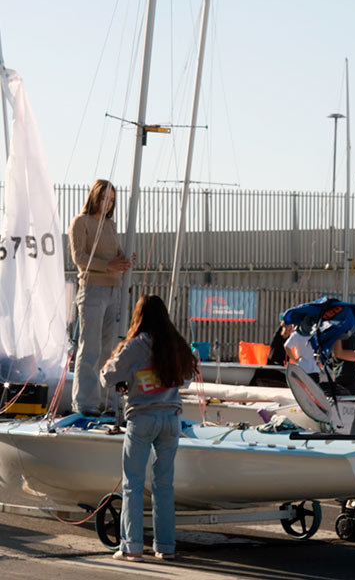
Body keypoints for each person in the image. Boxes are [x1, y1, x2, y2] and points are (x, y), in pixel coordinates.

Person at [100, 294, 197, 563]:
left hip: (142, 419)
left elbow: (108, 376)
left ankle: (131, 547)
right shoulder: (176, 344)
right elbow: (187, 378)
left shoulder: (134, 346)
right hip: (171, 420)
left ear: (138, 317)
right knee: (164, 485)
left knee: (132, 484)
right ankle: (165, 546)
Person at [69, 179, 134, 416]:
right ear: (95, 196)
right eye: (105, 198)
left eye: (113, 200)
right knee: (90, 348)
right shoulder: (80, 222)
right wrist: (109, 265)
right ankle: (85, 403)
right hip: (92, 290)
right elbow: (80, 259)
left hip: (114, 291)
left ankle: (107, 402)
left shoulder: (110, 225)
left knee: (109, 349)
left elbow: (116, 255)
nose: (108, 204)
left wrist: (125, 261)